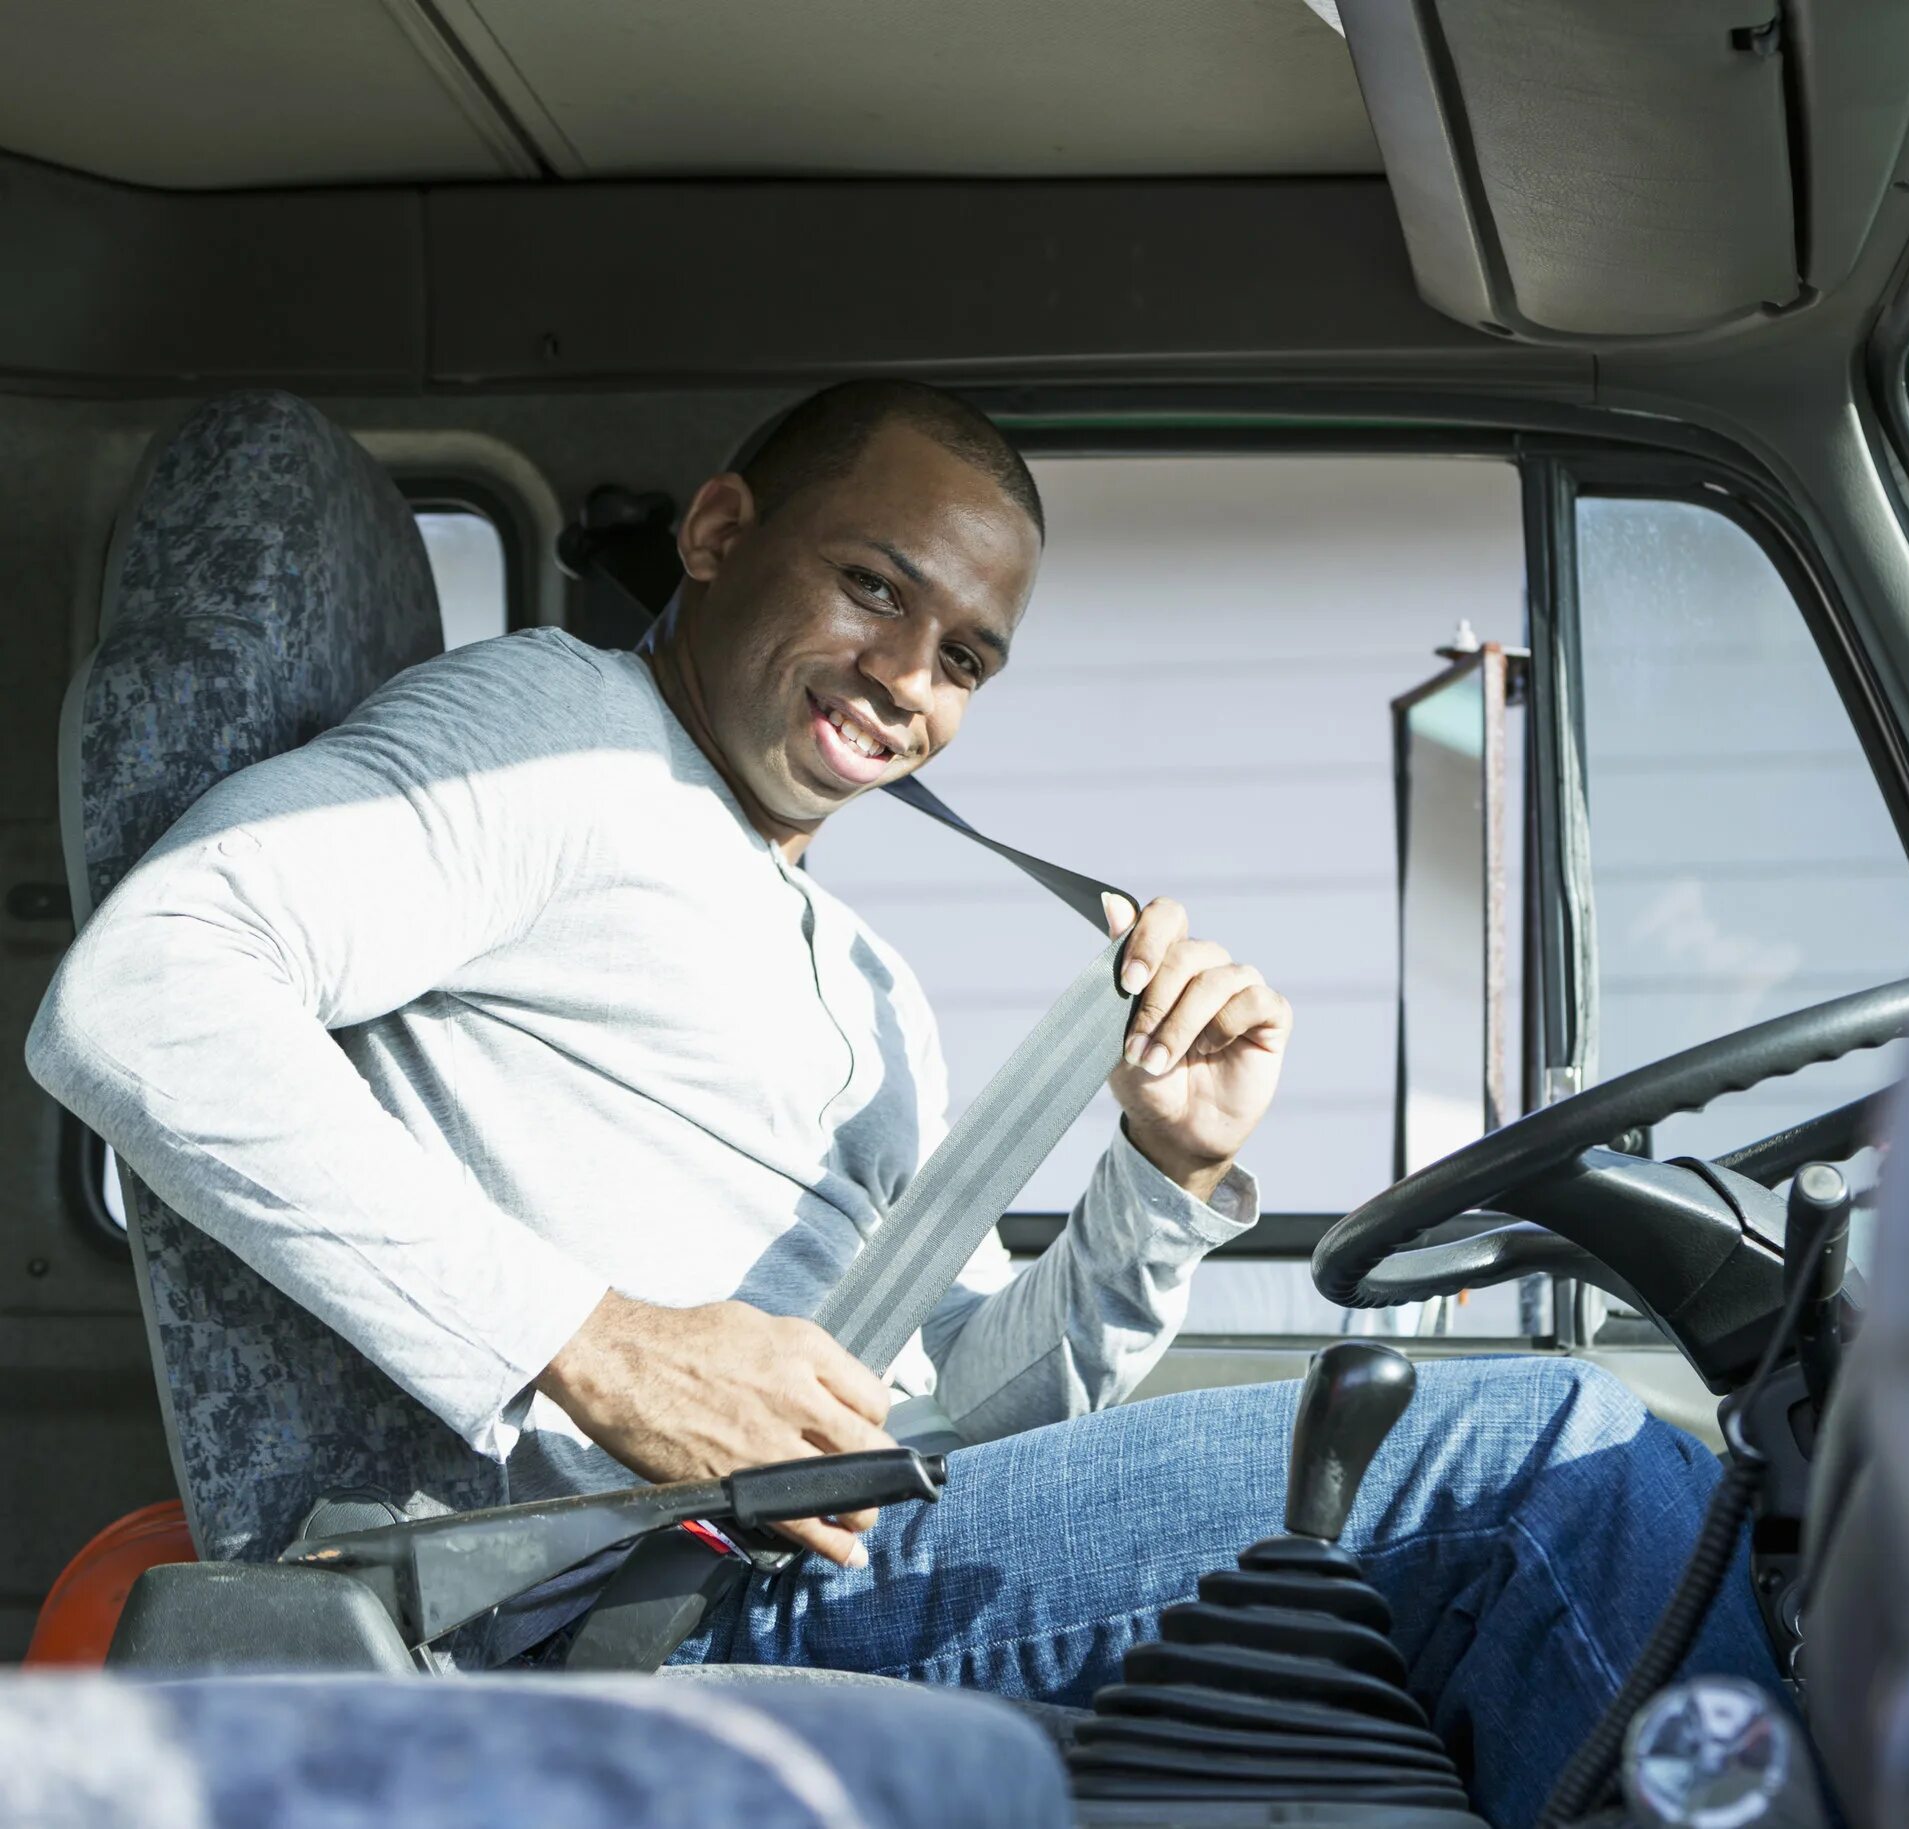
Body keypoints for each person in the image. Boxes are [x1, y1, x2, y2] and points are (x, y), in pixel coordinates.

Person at [27, 379, 1774, 1827]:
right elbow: (140, 996)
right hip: (611, 1607)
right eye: (874, 588)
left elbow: (944, 1418)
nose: (909, 681)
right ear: (719, 537)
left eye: (966, 657)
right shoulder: (547, 737)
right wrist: (603, 1340)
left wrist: (1159, 1179)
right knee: (1542, 1457)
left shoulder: (857, 979)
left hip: (795, 1560)